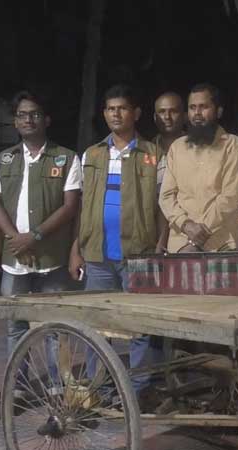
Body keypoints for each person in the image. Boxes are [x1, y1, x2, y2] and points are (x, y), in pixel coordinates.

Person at [69, 84, 163, 393]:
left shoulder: (153, 154)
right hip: (97, 255)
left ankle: (138, 391)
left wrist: (159, 247)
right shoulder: (92, 154)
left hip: (138, 254)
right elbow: (82, 206)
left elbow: (162, 205)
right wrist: (75, 249)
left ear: (136, 113)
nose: (116, 114)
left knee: (139, 326)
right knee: (97, 324)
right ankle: (100, 389)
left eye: (122, 108)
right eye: (111, 109)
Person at [0, 90, 81, 403]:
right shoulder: (4, 158)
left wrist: (35, 236)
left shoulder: (66, 157)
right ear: (15, 122)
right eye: (22, 115)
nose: (28, 119)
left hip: (51, 257)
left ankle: (56, 388)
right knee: (16, 326)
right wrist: (15, 238)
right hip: (14, 258)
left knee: (55, 326)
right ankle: (18, 387)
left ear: (47, 119)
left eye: (35, 114)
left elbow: (70, 206)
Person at [159, 83, 238, 253]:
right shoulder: (177, 148)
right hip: (180, 245)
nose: (197, 113)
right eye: (192, 108)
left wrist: (197, 237)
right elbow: (166, 196)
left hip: (221, 246)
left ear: (218, 111)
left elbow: (230, 197)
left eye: (203, 107)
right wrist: (186, 225)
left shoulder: (233, 146)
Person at [152, 91, 186, 253]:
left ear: (185, 116)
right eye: (162, 112)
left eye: (173, 111)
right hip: (150, 237)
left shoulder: (197, 149)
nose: (167, 117)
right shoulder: (145, 151)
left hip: (185, 234)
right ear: (155, 117)